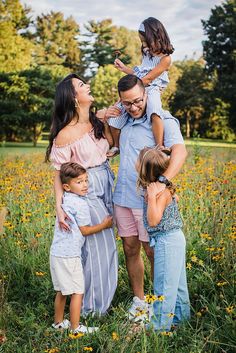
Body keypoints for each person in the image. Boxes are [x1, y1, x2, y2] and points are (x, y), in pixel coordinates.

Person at [103, 74, 187, 322]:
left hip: (146, 201)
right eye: (127, 103)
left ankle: (158, 301)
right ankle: (139, 302)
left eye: (138, 101)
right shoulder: (125, 122)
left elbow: (180, 152)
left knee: (153, 252)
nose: (134, 107)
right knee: (130, 249)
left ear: (146, 94)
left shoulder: (161, 119)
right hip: (122, 197)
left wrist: (163, 183)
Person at [45, 73, 118, 315]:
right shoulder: (66, 134)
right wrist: (59, 207)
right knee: (100, 248)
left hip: (106, 185)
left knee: (102, 247)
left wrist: (106, 120)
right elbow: (59, 174)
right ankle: (93, 309)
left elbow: (110, 146)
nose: (87, 86)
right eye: (81, 85)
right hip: (87, 193)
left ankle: (93, 302)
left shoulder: (95, 122)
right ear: (73, 98)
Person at [50, 162, 113, 333]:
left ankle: (58, 323)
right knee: (78, 291)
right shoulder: (80, 204)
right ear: (66, 186)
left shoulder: (65, 200)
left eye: (86, 180)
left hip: (56, 253)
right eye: (79, 182)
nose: (85, 185)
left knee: (62, 290)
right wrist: (104, 225)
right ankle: (75, 327)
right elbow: (85, 230)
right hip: (70, 255)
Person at [137, 147, 190, 331]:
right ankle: (181, 321)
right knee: (178, 284)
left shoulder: (158, 192)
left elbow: (153, 220)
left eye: (139, 162)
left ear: (147, 170)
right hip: (173, 239)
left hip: (167, 241)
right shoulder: (164, 188)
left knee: (164, 287)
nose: (136, 165)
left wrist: (151, 198)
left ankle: (159, 328)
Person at [107, 17, 173, 157]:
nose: (144, 45)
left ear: (157, 37)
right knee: (116, 112)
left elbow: (148, 78)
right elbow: (139, 74)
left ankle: (160, 145)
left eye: (145, 41)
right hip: (138, 86)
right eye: (142, 42)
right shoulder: (147, 54)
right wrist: (125, 69)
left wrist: (132, 90)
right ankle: (116, 146)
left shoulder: (165, 59)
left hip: (152, 88)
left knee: (155, 110)